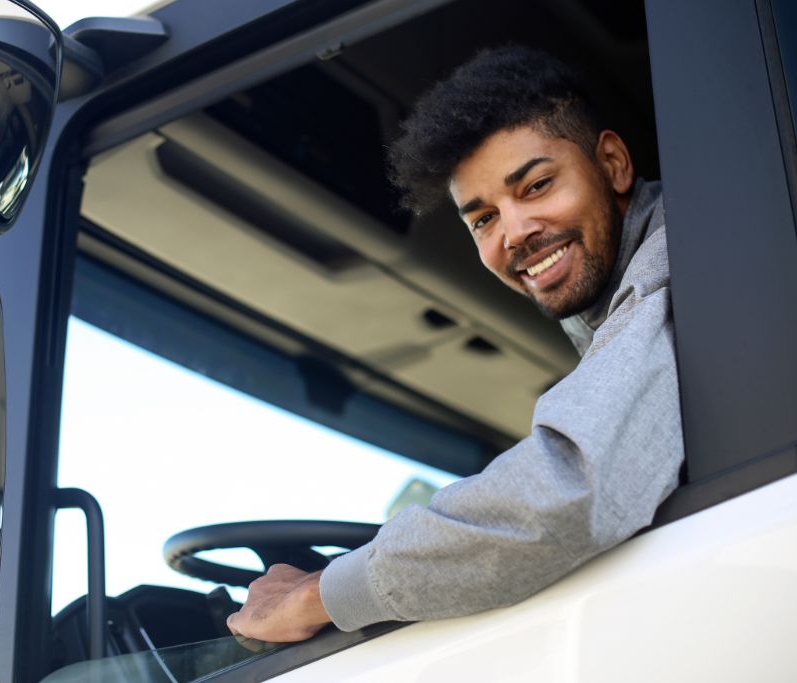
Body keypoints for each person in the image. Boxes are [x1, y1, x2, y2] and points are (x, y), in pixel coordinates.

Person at [226, 46, 684, 643]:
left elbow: (568, 490)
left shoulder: (678, 262)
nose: (515, 233)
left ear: (614, 163)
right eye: (483, 219)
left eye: (538, 185)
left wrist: (320, 594)